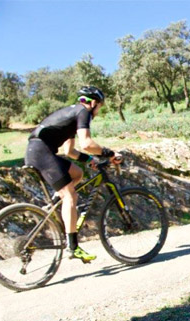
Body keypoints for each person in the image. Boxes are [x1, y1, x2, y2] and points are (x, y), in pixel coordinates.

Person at [25, 86, 122, 262]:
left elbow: (69, 151)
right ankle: (73, 247)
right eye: (99, 106)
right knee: (70, 196)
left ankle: (54, 204)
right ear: (93, 103)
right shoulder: (83, 112)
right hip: (41, 152)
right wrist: (110, 153)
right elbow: (86, 143)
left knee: (77, 174)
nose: (98, 111)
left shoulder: (71, 115)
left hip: (37, 151)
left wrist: (88, 160)